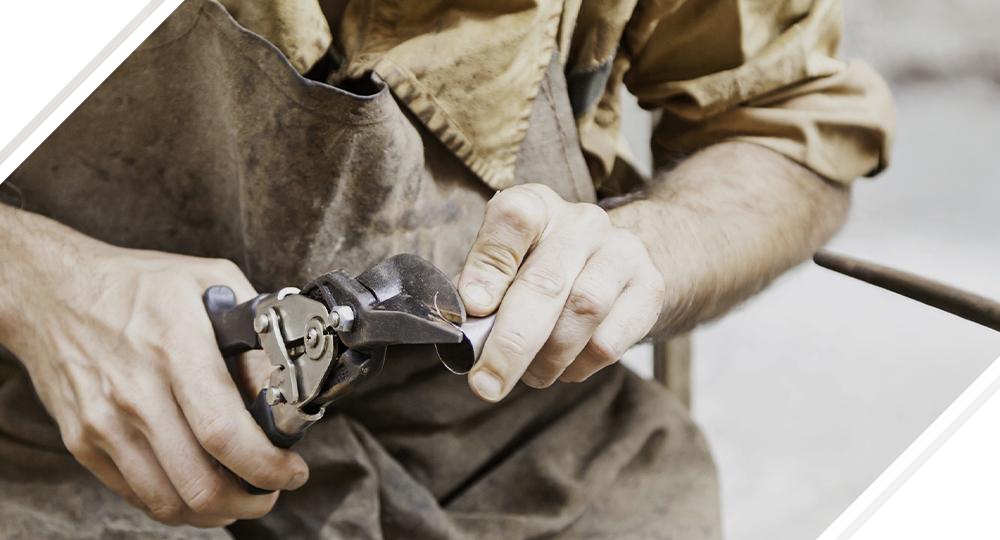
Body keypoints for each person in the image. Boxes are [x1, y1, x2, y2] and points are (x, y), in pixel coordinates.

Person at [0, 0, 894, 538]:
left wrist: (654, 246)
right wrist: (40, 286)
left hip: (499, 435)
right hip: (42, 421)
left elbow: (784, 122)